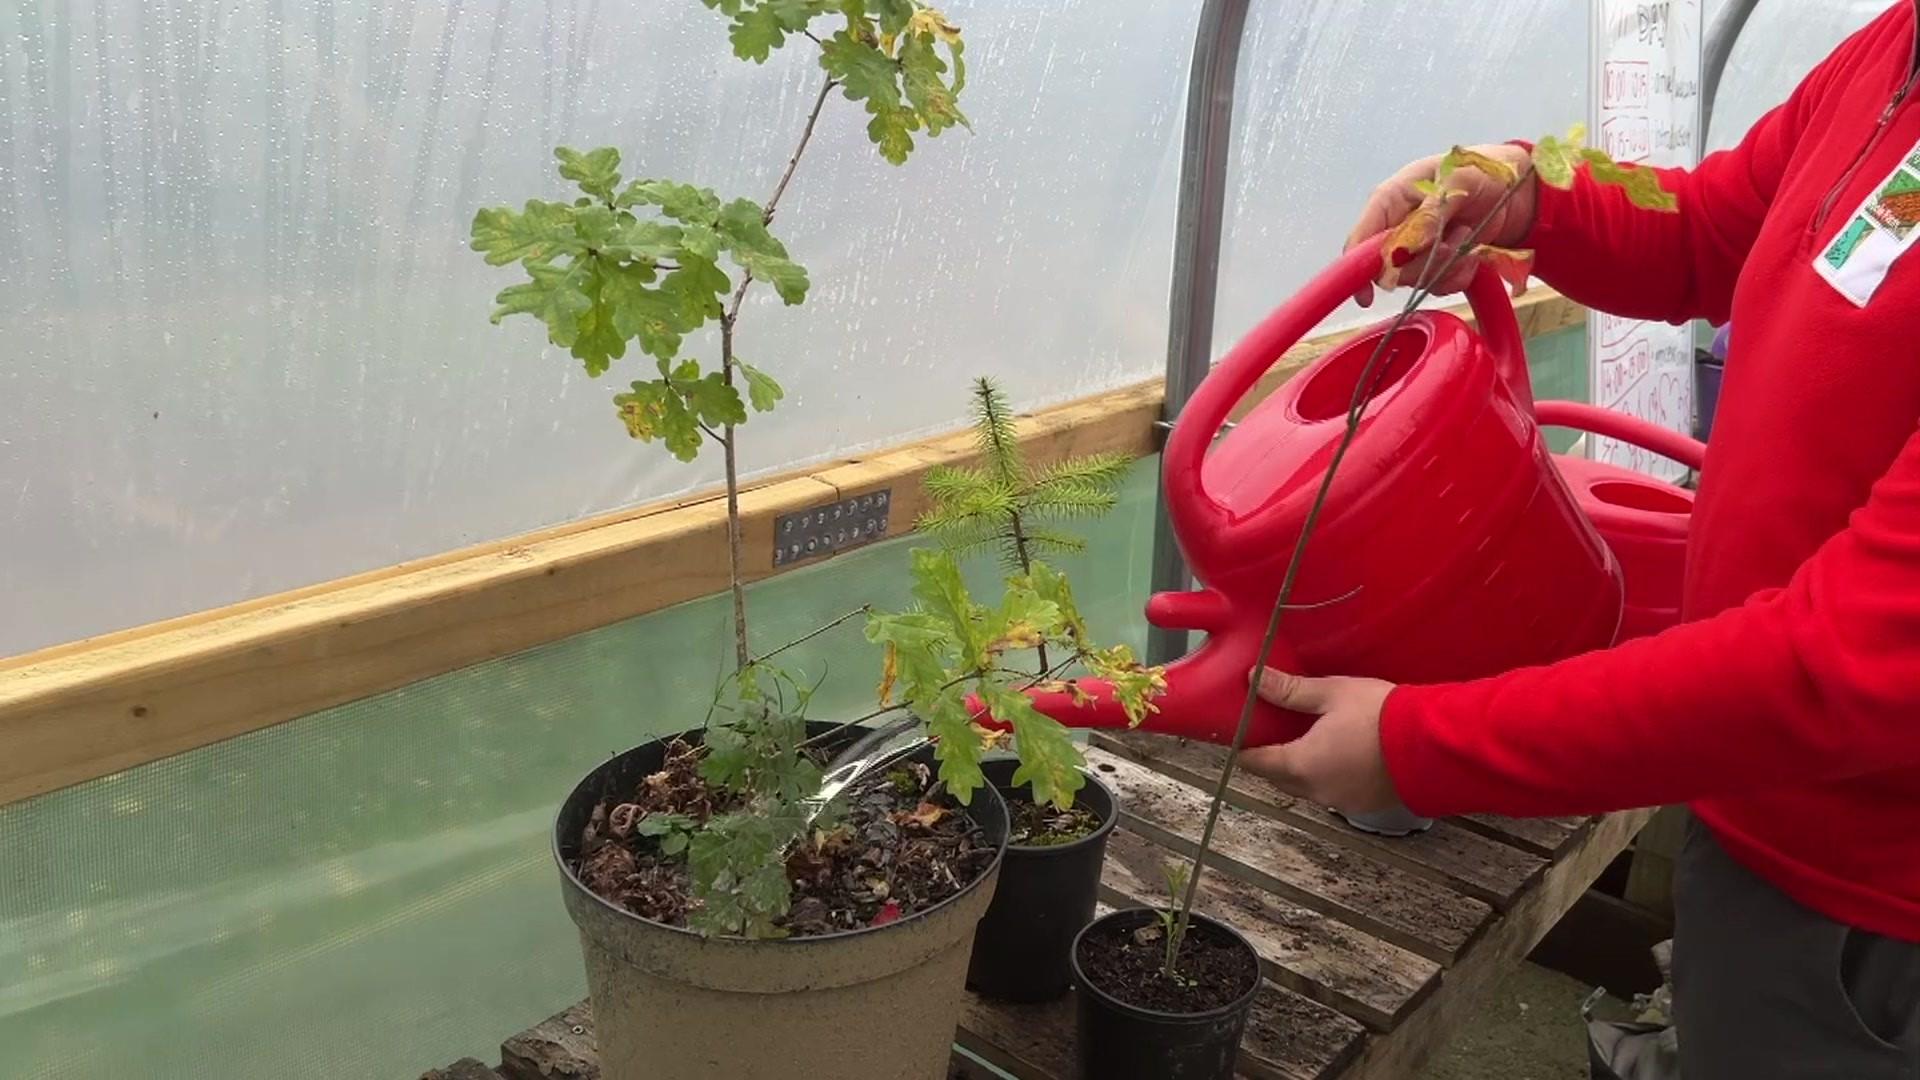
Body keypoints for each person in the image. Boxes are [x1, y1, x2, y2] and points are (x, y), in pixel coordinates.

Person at [1239, 4, 1920, 1076]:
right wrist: (1526, 193)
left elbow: (1842, 663)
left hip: (1872, 910)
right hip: (1752, 800)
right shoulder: (1896, 51)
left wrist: (1418, 745)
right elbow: (1709, 232)